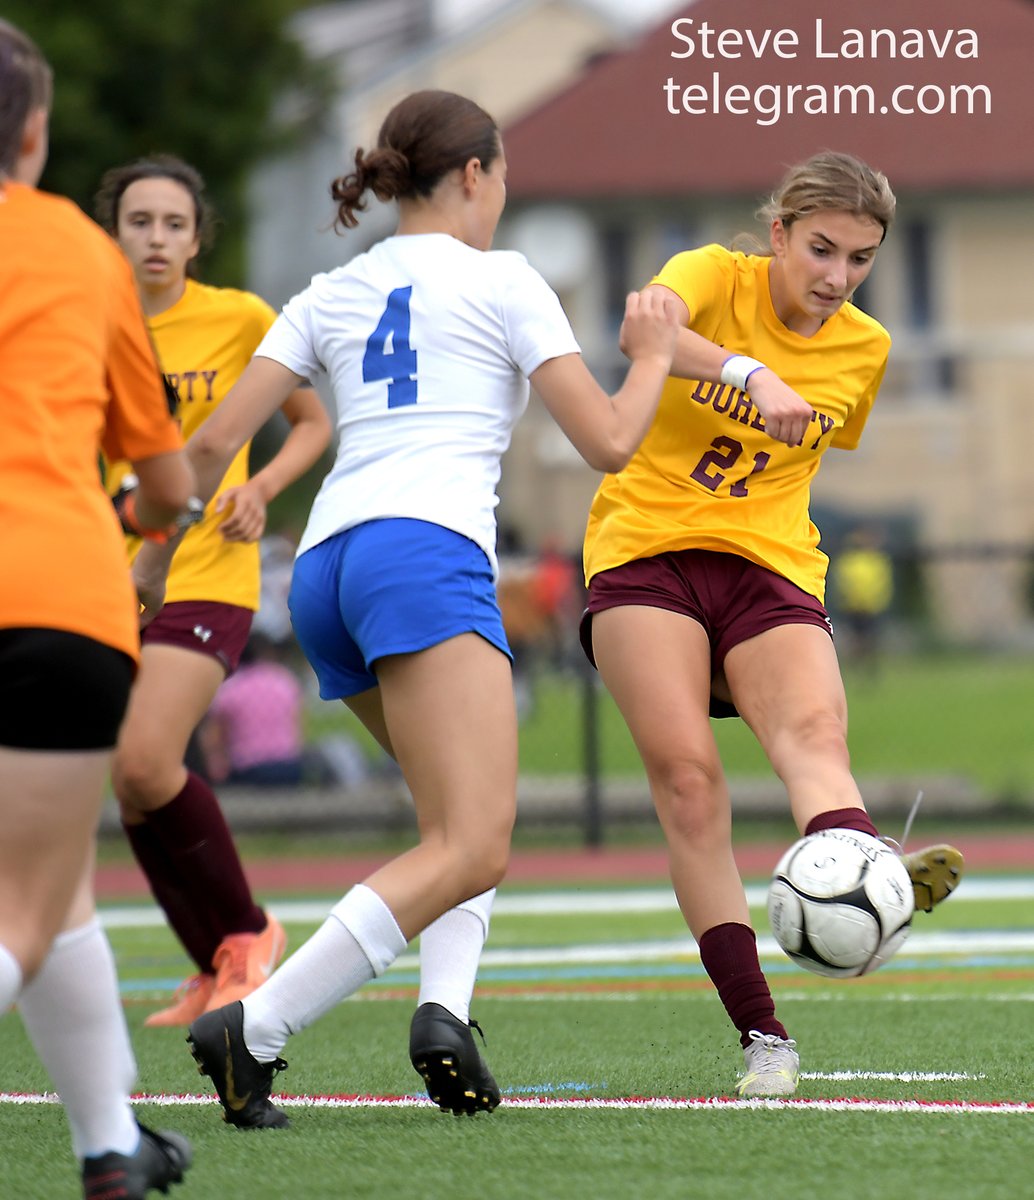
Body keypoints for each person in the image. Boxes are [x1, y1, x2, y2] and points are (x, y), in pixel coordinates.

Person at [128, 87, 677, 1126]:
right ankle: (258, 1028)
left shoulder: (330, 288)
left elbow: (204, 448)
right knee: (475, 840)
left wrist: (157, 550)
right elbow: (607, 440)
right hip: (421, 555)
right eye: (501, 177)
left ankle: (444, 1017)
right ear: (473, 174)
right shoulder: (504, 280)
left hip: (328, 567)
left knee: (451, 823)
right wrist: (650, 355)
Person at [578, 151, 965, 1098]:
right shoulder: (713, 274)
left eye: (861, 259)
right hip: (645, 549)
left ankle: (867, 872)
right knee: (689, 784)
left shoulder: (864, 348)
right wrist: (747, 371)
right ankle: (763, 1036)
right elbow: (644, 327)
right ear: (780, 232)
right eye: (821, 248)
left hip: (771, 563)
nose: (836, 278)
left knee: (814, 735)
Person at [0, 20, 193, 1197]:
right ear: (32, 132)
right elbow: (164, 479)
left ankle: (110, 1147)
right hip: (54, 601)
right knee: (24, 903)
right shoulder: (79, 249)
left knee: (54, 883)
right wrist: (140, 514)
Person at [94, 154, 333, 1026]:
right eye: (139, 222)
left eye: (173, 224)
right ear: (114, 232)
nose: (156, 238)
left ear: (198, 239)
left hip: (209, 572)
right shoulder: (90, 321)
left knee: (146, 761)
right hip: (113, 579)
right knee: (130, 785)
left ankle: (248, 931)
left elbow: (313, 425)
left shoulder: (238, 319)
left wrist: (259, 489)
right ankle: (211, 966)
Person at [198, 633, 307, 787]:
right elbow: (297, 727)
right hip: (289, 767)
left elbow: (213, 738)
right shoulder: (285, 680)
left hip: (249, 770)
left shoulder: (231, 687)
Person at [830, 524, 894, 675]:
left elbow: (883, 583)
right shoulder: (848, 560)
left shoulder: (878, 560)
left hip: (872, 607)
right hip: (853, 607)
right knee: (855, 640)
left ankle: (869, 668)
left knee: (870, 640)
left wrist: (877, 600)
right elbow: (843, 583)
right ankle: (856, 667)